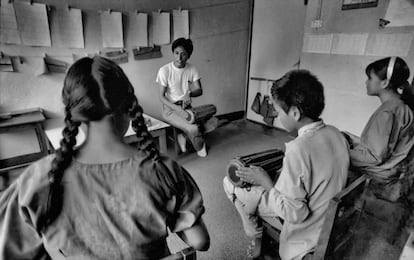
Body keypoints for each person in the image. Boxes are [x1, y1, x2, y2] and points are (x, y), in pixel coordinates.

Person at [0, 56, 210, 259]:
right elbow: (199, 241)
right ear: (129, 109)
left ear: (75, 114)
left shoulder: (36, 180)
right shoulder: (163, 169)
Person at [223, 70, 350, 260]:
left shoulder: (298, 149)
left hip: (307, 230)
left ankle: (254, 234)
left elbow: (295, 214)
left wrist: (265, 182)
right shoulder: (336, 133)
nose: (275, 113)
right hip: (330, 218)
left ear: (295, 112)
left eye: (277, 110)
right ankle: (257, 235)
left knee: (230, 184)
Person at [343, 57, 414, 250]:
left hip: (380, 176)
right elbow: (388, 145)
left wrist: (341, 150)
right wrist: (356, 140)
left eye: (369, 78)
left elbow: (374, 156)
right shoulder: (402, 107)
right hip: (395, 171)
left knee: (332, 163)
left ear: (384, 83)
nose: (366, 82)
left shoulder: (386, 112)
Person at [156, 38, 216, 157]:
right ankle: (199, 146)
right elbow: (161, 97)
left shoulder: (192, 68)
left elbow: (199, 90)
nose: (179, 58)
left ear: (188, 55)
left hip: (187, 108)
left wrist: (189, 94)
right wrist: (177, 109)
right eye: (176, 53)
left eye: (183, 54)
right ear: (173, 53)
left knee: (213, 109)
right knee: (194, 128)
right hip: (170, 109)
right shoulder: (164, 71)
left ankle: (183, 136)